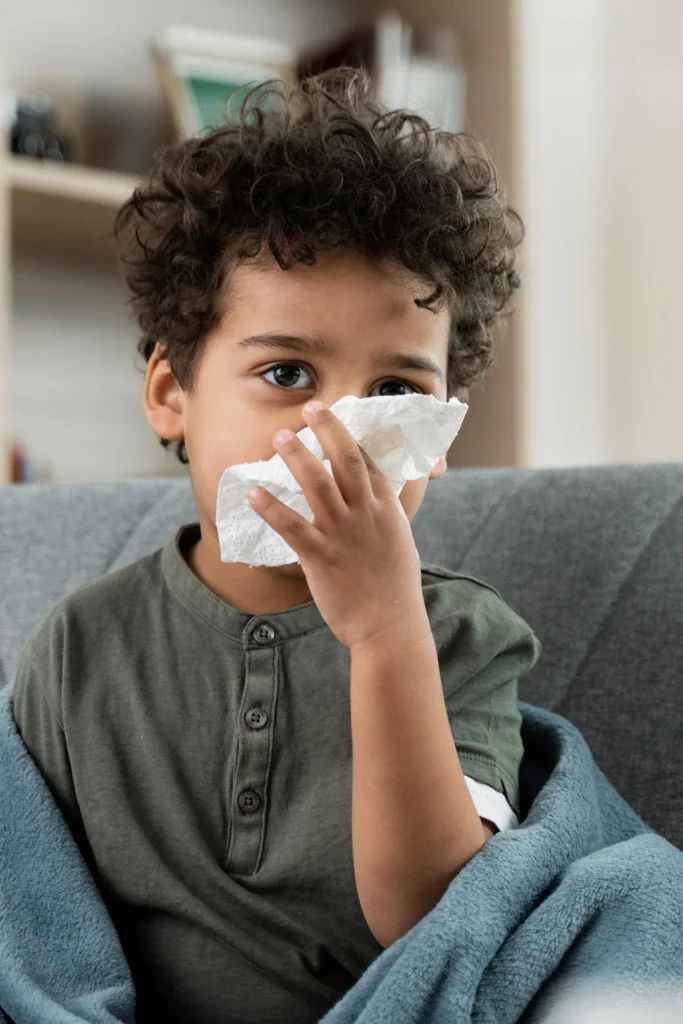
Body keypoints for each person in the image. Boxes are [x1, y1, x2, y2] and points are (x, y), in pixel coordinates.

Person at [11, 68, 542, 1024]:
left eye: (393, 396)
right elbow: (33, 932)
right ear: (173, 393)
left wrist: (386, 633)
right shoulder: (81, 650)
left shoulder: (461, 636)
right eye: (287, 372)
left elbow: (434, 921)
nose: (337, 433)